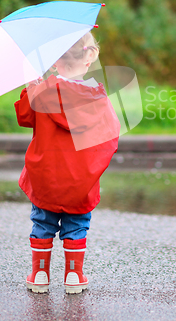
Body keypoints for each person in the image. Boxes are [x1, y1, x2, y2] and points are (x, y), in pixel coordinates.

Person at [15, 32, 120, 294]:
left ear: (53, 61)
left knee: (42, 223)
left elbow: (25, 117)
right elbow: (110, 135)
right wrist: (91, 170)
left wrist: (31, 86)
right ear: (90, 56)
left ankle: (40, 274)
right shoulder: (97, 98)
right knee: (76, 224)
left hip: (45, 178)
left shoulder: (42, 91)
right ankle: (73, 274)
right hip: (79, 181)